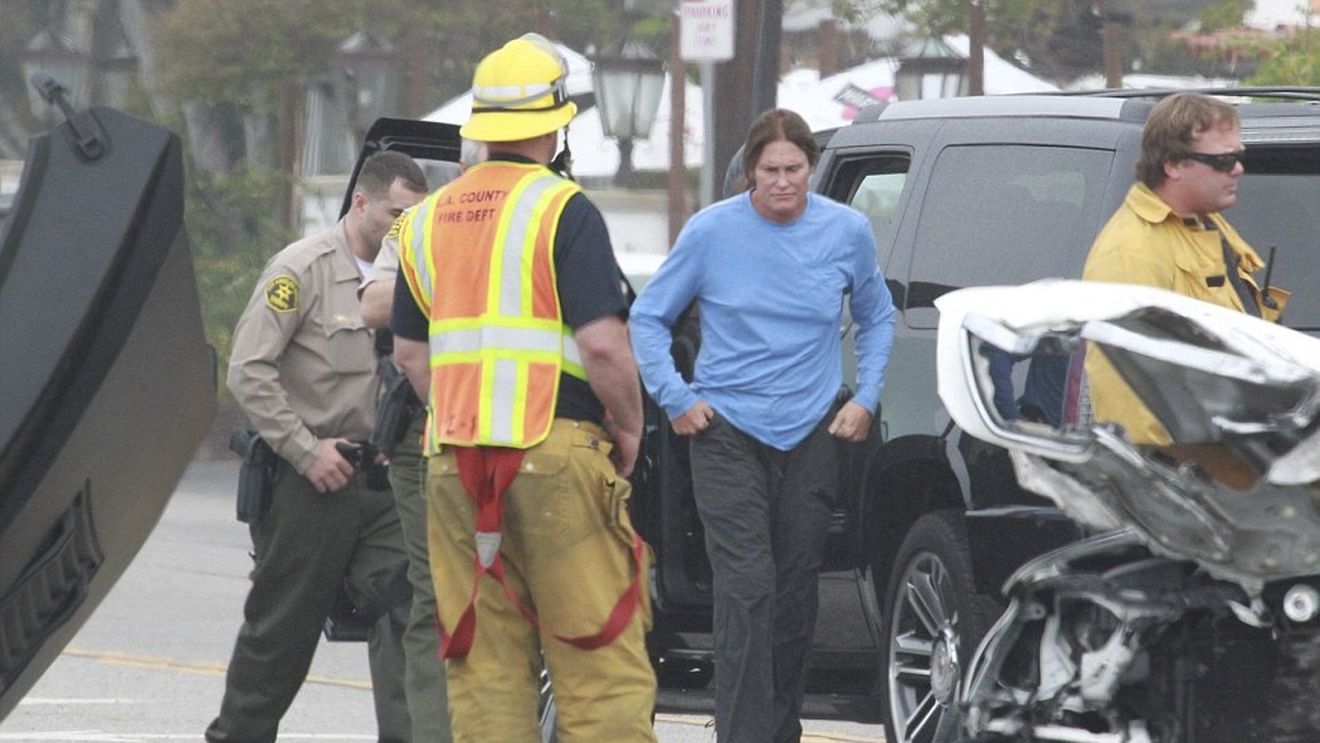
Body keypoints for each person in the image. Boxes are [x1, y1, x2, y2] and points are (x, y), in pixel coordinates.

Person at [389, 33, 657, 742]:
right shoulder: (562, 209)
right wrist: (629, 427)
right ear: (556, 122)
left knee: (483, 663)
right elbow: (602, 343)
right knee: (597, 660)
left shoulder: (424, 220)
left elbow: (411, 353)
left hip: (452, 463)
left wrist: (461, 410)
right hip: (555, 453)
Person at [629, 108, 897, 743]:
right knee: (746, 585)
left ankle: (781, 729)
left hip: (811, 431)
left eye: (795, 169)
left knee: (796, 588)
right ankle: (743, 734)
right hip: (725, 428)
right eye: (771, 170)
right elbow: (647, 318)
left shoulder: (846, 230)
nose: (783, 182)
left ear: (812, 168)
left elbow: (878, 316)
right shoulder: (711, 231)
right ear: (750, 172)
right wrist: (675, 397)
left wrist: (867, 396)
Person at [206, 151, 428, 743]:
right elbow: (249, 371)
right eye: (396, 213)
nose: (405, 228)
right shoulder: (301, 268)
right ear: (361, 202)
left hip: (382, 478)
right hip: (310, 479)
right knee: (282, 627)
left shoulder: (413, 277)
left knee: (405, 605)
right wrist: (304, 451)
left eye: (415, 218)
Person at [356, 141, 486, 743]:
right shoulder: (428, 224)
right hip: (428, 426)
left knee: (512, 596)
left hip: (525, 429)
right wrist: (449, 279)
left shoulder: (554, 216)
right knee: (433, 593)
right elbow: (374, 305)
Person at [1083, 92, 1289, 452]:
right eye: (1223, 160)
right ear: (1173, 164)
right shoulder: (1132, 250)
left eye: (1238, 157)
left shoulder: (1206, 224)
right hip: (1185, 473)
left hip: (1235, 455)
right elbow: (1127, 389)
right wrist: (1177, 476)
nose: (1238, 169)